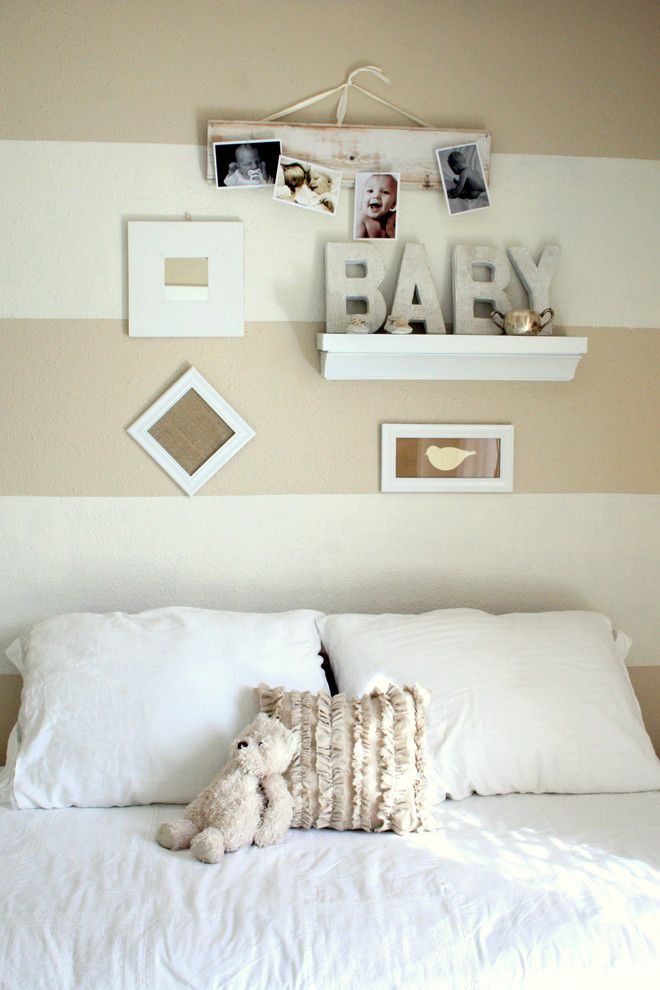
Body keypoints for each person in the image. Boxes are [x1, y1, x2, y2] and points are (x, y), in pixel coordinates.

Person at [355, 173, 398, 239]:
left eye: (385, 192)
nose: (376, 196)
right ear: (362, 197)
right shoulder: (361, 220)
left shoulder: (393, 218)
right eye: (370, 191)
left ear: (394, 203)